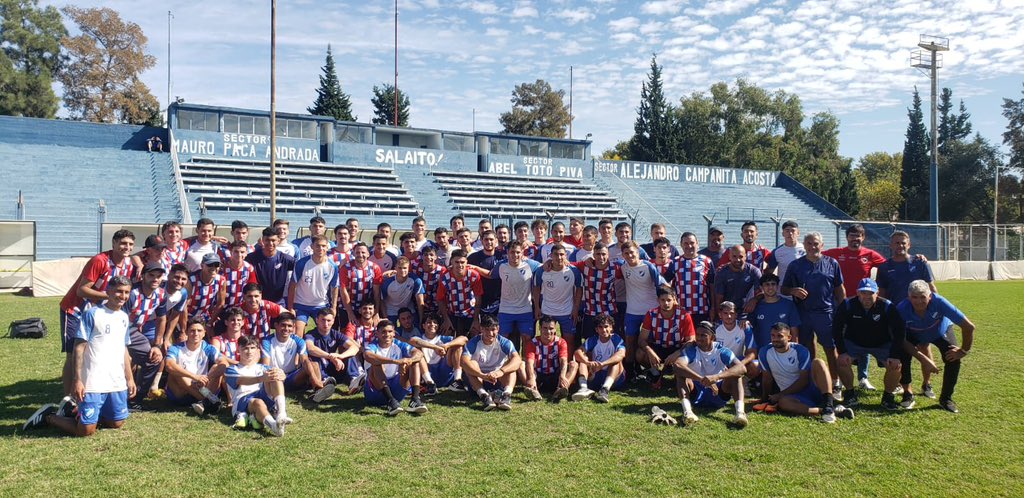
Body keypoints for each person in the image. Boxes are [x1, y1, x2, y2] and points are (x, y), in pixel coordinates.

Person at [24, 276, 136, 436]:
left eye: (126, 292)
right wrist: (78, 379)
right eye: (118, 291)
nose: (122, 296)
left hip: (116, 381)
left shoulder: (124, 317)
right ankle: (49, 417)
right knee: (85, 431)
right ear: (109, 291)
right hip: (93, 382)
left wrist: (130, 378)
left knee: (116, 423)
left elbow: (123, 349)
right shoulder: (93, 314)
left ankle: (79, 412)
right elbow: (79, 347)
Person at [57, 229, 136, 396]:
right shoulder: (100, 261)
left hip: (98, 312)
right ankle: (69, 399)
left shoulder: (128, 264)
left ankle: (91, 389)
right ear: (113, 243)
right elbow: (81, 290)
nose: (126, 247)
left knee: (96, 350)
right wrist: (109, 296)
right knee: (73, 353)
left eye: (130, 244)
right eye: (122, 243)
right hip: (75, 310)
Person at [823, 224, 889, 389]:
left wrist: (916, 258)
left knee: (863, 337)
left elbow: (889, 265)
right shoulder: (837, 253)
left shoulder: (870, 254)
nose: (855, 239)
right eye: (852, 235)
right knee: (840, 338)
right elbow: (816, 255)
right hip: (842, 305)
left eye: (858, 236)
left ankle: (863, 378)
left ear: (863, 237)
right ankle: (839, 378)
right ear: (847, 237)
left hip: (864, 304)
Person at [833, 278, 914, 410]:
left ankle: (888, 397)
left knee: (896, 365)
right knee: (841, 361)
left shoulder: (887, 306)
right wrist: (842, 352)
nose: (867, 297)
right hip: (854, 343)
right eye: (863, 293)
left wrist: (894, 355)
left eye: (870, 293)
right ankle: (849, 394)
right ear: (857, 293)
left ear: (877, 293)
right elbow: (836, 329)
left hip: (881, 344)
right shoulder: (847, 304)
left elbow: (899, 331)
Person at [896, 280, 975, 413]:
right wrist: (923, 359)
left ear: (930, 296)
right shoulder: (901, 309)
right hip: (914, 334)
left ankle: (946, 398)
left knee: (953, 358)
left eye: (923, 297)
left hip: (940, 331)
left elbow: (969, 326)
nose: (919, 301)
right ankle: (907, 393)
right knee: (902, 354)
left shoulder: (940, 302)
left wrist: (963, 351)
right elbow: (901, 339)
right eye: (914, 297)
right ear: (908, 297)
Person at [876, 230, 940, 394]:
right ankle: (904, 387)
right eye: (896, 242)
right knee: (901, 351)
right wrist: (882, 315)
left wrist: (936, 308)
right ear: (890, 245)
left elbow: (931, 288)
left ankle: (927, 384)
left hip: (920, 314)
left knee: (924, 347)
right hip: (896, 317)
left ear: (909, 244)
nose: (900, 245)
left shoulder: (920, 263)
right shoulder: (884, 267)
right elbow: (881, 293)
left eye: (903, 242)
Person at [781, 232, 845, 392]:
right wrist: (793, 291)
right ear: (804, 245)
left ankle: (835, 381)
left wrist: (844, 311)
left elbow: (839, 289)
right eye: (809, 243)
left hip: (825, 312)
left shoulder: (832, 263)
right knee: (807, 346)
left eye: (815, 243)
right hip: (803, 312)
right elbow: (784, 288)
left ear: (822, 245)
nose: (812, 247)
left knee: (830, 348)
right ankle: (812, 378)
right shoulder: (795, 265)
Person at [757, 322, 854, 424]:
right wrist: (764, 400)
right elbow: (767, 378)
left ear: (789, 337)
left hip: (812, 388)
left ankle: (828, 404)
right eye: (773, 335)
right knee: (784, 403)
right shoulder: (764, 352)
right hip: (794, 396)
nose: (775, 339)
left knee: (818, 362)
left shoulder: (800, 350)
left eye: (780, 336)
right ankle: (829, 411)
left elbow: (804, 380)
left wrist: (780, 394)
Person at [673, 321, 749, 427]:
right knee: (680, 375)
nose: (699, 338)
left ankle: (740, 413)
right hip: (697, 390)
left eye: (703, 335)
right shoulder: (691, 350)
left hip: (718, 391)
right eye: (697, 334)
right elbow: (677, 365)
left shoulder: (721, 351)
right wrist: (702, 379)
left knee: (736, 376)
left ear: (713, 337)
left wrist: (716, 377)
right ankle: (688, 412)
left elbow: (742, 368)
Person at [223, 335, 289, 435]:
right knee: (258, 402)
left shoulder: (263, 367)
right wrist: (261, 378)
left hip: (262, 394)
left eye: (252, 348)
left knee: (275, 374)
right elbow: (241, 380)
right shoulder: (231, 369)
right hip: (243, 400)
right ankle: (274, 426)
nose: (249, 352)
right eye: (245, 348)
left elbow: (276, 379)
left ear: (257, 350)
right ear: (238, 350)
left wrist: (282, 375)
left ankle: (281, 414)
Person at [125, 262, 171, 405]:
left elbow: (162, 319)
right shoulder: (132, 293)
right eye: (151, 275)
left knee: (154, 358)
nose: (155, 279)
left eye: (159, 276)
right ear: (142, 276)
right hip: (116, 332)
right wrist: (123, 348)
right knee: (118, 362)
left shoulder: (161, 294)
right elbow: (119, 322)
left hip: (132, 331)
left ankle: (135, 399)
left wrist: (157, 345)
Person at [261, 312, 333, 401]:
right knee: (271, 374)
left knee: (314, 364)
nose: (286, 329)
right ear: (276, 325)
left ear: (294, 327)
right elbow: (265, 366)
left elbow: (305, 361)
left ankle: (317, 391)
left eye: (289, 326)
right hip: (275, 378)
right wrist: (278, 374)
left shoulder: (298, 341)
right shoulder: (267, 341)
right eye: (283, 325)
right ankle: (317, 387)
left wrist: (314, 378)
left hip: (292, 377)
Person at [363, 319, 428, 416]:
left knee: (414, 362)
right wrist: (396, 362)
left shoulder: (399, 344)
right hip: (375, 393)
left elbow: (418, 353)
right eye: (383, 332)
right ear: (377, 334)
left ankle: (414, 400)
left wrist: (408, 361)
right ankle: (390, 401)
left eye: (390, 331)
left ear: (394, 333)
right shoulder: (373, 346)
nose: (387, 334)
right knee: (376, 363)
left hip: (396, 390)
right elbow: (367, 355)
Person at [165, 319, 227, 416]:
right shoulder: (176, 348)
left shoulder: (208, 348)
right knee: (176, 371)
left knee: (218, 367)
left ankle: (203, 402)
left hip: (202, 388)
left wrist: (207, 378)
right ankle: (207, 401)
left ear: (204, 333)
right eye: (192, 330)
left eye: (199, 331)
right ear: (186, 332)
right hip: (182, 393)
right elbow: (168, 366)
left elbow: (224, 364)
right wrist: (194, 377)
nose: (196, 333)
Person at [618, 241, 662, 376]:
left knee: (650, 341)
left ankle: (654, 368)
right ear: (623, 255)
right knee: (630, 340)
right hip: (632, 310)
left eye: (632, 252)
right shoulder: (622, 267)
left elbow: (661, 285)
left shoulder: (648, 266)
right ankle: (631, 371)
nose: (630, 255)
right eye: (626, 253)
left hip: (651, 310)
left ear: (638, 252)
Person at [637, 286, 695, 387]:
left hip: (677, 348)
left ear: (674, 299)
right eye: (662, 300)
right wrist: (649, 352)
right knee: (640, 354)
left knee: (685, 361)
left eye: (669, 300)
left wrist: (677, 353)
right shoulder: (651, 314)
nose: (666, 303)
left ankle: (673, 371)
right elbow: (641, 339)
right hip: (658, 347)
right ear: (658, 300)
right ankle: (656, 372)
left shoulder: (684, 315)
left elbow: (691, 341)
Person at [461, 314, 522, 411]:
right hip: (478, 380)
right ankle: (484, 396)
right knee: (472, 364)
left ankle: (506, 395)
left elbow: (517, 360)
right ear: (481, 329)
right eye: (486, 329)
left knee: (511, 365)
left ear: (498, 329)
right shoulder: (473, 342)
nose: (490, 333)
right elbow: (463, 362)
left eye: (493, 329)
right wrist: (481, 375)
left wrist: (501, 372)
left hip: (496, 378)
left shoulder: (504, 342)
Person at [486, 240, 542, 342]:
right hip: (506, 309)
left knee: (527, 338)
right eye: (512, 252)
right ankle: (505, 358)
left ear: (522, 253)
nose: (515, 255)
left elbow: (546, 266)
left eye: (517, 252)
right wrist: (474, 267)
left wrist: (553, 262)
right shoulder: (501, 265)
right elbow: (490, 275)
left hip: (525, 309)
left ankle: (525, 358)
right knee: (502, 339)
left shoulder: (531, 265)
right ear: (507, 253)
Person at [532, 244, 583, 346]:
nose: (559, 257)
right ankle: (549, 360)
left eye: (561, 254)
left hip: (567, 311)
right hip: (547, 310)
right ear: (551, 255)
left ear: (566, 256)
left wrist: (575, 309)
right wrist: (537, 307)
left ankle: (568, 361)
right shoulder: (542, 271)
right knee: (547, 338)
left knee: (569, 340)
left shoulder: (573, 271)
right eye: (556, 254)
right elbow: (536, 288)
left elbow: (579, 289)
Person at [304, 308, 360, 397]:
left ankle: (353, 381)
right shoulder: (310, 334)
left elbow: (354, 348)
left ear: (333, 321)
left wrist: (340, 356)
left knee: (349, 354)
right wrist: (331, 356)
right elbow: (310, 348)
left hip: (334, 368)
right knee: (313, 358)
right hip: (320, 369)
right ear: (317, 320)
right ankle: (323, 381)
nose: (326, 324)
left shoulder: (336, 334)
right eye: (323, 320)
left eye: (329, 320)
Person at [662, 232, 716, 323]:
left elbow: (712, 286)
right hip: (681, 310)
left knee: (701, 336)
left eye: (692, 243)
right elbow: (664, 282)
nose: (689, 246)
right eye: (686, 243)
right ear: (681, 245)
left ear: (697, 243)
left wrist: (713, 308)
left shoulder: (706, 261)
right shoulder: (675, 262)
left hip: (702, 310)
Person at [287, 235, 339, 329]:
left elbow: (335, 287)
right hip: (301, 304)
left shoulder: (332, 266)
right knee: (298, 332)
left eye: (323, 246)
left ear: (327, 247)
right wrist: (290, 307)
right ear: (312, 246)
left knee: (324, 330)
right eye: (318, 245)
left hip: (321, 305)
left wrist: (334, 307)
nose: (320, 248)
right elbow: (292, 285)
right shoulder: (301, 263)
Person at [571, 313, 626, 403]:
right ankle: (584, 388)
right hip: (596, 374)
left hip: (614, 376)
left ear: (611, 327)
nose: (604, 330)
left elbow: (621, 354)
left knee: (617, 361)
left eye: (606, 326)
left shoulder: (617, 339)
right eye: (600, 327)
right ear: (596, 329)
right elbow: (577, 353)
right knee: (583, 359)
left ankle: (605, 390)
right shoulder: (592, 340)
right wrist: (588, 362)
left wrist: (603, 364)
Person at [408, 312, 467, 393]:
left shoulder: (444, 338)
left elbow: (464, 339)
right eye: (429, 322)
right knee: (417, 351)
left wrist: (446, 346)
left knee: (458, 346)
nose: (432, 324)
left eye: (435, 322)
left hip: (445, 371)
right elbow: (412, 341)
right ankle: (430, 384)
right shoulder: (419, 338)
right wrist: (435, 347)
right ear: (423, 326)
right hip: (428, 373)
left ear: (438, 326)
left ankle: (457, 380)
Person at [572, 242, 618, 343]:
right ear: (593, 255)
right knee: (590, 340)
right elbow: (566, 264)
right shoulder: (585, 266)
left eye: (603, 254)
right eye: (598, 254)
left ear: (608, 255)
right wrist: (549, 261)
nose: (601, 257)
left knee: (610, 340)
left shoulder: (616, 268)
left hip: (609, 310)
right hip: (591, 311)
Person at [523, 316, 577, 401]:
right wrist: (531, 378)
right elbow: (529, 362)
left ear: (555, 329)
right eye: (545, 328)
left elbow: (563, 360)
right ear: (540, 328)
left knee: (574, 364)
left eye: (551, 328)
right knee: (522, 365)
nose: (548, 331)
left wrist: (562, 376)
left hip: (555, 376)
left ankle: (561, 389)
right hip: (538, 376)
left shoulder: (561, 342)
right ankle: (533, 390)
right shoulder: (532, 343)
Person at [748, 273, 801, 352]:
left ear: (777, 287)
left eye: (773, 284)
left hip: (783, 352)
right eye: (767, 285)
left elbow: (794, 332)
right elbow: (750, 330)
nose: (770, 287)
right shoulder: (755, 306)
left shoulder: (788, 304)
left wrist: (794, 351)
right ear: (761, 287)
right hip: (762, 352)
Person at [436, 249, 484, 336]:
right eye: (457, 262)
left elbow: (478, 298)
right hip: (452, 312)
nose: (460, 265)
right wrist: (446, 319)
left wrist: (476, 319)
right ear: (451, 262)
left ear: (467, 262)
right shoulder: (445, 276)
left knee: (475, 335)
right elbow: (440, 299)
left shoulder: (474, 275)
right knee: (447, 334)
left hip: (470, 312)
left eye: (462, 262)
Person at [338, 242, 384, 330]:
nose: (360, 255)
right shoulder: (346, 268)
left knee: (367, 331)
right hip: (348, 307)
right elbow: (344, 291)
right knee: (346, 332)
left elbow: (377, 292)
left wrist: (376, 312)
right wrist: (350, 313)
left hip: (366, 307)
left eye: (363, 252)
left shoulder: (374, 268)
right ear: (354, 253)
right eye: (358, 252)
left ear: (368, 254)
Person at [714, 301, 760, 390]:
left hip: (737, 360)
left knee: (756, 365)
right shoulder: (714, 328)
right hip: (719, 362)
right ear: (720, 315)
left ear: (736, 315)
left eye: (732, 313)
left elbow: (753, 352)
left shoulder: (744, 327)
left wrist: (740, 364)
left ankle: (744, 382)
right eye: (725, 313)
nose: (729, 316)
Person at [245, 227, 296, 304]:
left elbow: (301, 268)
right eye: (267, 240)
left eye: (273, 240)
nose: (270, 243)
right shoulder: (251, 258)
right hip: (257, 301)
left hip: (279, 301)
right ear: (262, 240)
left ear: (278, 241)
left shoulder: (285, 259)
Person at [714, 245, 762, 322]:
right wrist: (720, 316)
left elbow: (762, 292)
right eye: (734, 256)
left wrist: (755, 299)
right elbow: (719, 298)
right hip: (729, 314)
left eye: (741, 256)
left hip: (747, 314)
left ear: (745, 257)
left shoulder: (753, 271)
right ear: (729, 257)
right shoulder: (722, 273)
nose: (738, 259)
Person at [467, 230, 503, 316]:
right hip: (480, 300)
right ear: (482, 241)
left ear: (496, 241)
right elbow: (463, 267)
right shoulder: (473, 257)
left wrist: (476, 268)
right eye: (486, 239)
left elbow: (492, 275)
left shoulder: (502, 257)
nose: (489, 242)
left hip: (499, 300)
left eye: (491, 239)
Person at [187, 253, 226, 331]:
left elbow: (220, 304)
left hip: (204, 319)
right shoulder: (191, 280)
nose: (213, 268)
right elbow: (184, 306)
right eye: (210, 264)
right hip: (188, 317)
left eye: (216, 265)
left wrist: (210, 323)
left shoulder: (221, 280)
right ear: (202, 265)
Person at [380, 258, 425, 323]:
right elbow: (381, 300)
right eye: (400, 268)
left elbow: (420, 301)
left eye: (405, 268)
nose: (402, 270)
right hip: (391, 310)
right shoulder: (387, 283)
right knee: (393, 331)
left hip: (408, 308)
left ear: (408, 268)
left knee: (416, 330)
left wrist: (421, 321)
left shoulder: (415, 280)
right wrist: (385, 318)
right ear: (395, 268)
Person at [220, 240, 258, 309]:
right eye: (236, 252)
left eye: (242, 252)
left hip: (240, 307)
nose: (239, 255)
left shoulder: (249, 268)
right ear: (231, 252)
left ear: (246, 253)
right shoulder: (222, 268)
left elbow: (252, 288)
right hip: (222, 306)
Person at [765, 220, 805, 285]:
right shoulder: (777, 251)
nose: (790, 233)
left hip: (802, 290)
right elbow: (769, 272)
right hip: (783, 292)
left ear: (798, 233)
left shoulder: (806, 249)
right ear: (783, 234)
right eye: (787, 231)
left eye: (793, 231)